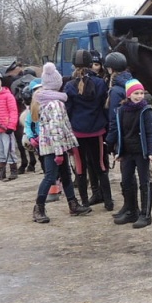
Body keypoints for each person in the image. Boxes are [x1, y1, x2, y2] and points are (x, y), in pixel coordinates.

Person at [32, 63, 92, 223]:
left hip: (54, 145)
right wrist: (59, 152)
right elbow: (56, 128)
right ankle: (39, 208)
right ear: (57, 84)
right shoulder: (56, 104)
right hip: (54, 147)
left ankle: (73, 203)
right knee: (50, 177)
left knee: (66, 174)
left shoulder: (45, 101)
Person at [65, 49, 112, 210]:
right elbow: (103, 106)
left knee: (80, 166)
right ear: (90, 64)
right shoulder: (99, 83)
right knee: (100, 165)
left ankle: (85, 202)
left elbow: (68, 109)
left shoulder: (69, 86)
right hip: (96, 130)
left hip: (78, 131)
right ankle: (108, 201)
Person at [107, 79, 152, 228]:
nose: (139, 96)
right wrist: (117, 150)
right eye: (136, 93)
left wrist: (151, 152)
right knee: (127, 181)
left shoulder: (145, 111)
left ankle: (145, 214)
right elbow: (120, 132)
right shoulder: (121, 110)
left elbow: (150, 133)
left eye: (141, 93)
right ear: (129, 94)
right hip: (127, 152)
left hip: (141, 153)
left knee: (144, 182)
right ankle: (131, 211)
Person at [104, 51, 137, 220]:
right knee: (130, 174)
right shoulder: (132, 84)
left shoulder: (116, 90)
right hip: (133, 135)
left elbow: (113, 118)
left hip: (122, 137)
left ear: (110, 69)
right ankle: (129, 206)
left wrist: (110, 140)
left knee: (127, 174)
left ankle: (132, 209)